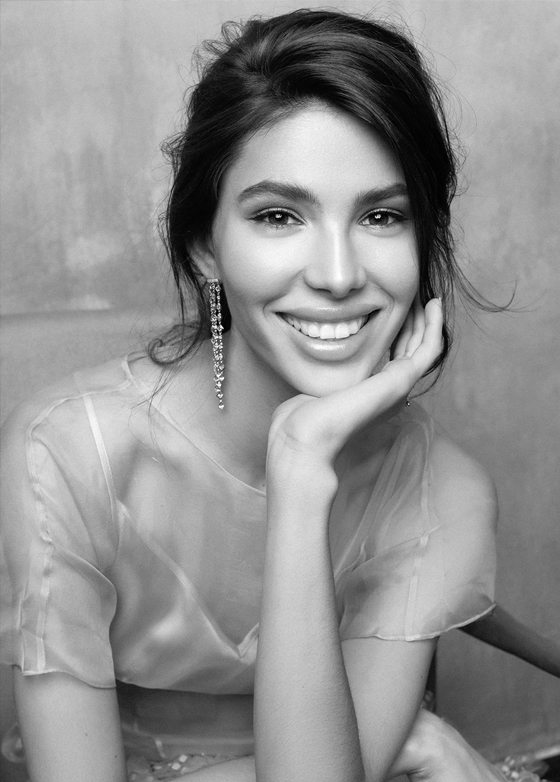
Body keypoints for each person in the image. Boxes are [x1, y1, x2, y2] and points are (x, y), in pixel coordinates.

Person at [0, 9, 529, 782]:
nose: (339, 274)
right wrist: (404, 745)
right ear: (205, 245)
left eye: (382, 216)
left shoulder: (442, 490)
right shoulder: (68, 452)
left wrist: (301, 467)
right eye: (280, 216)